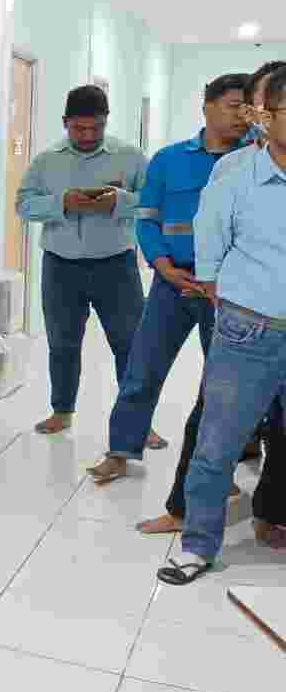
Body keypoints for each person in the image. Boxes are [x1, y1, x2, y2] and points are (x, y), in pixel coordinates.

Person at [136, 61, 286, 542]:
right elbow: (210, 242)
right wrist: (221, 292)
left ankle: (271, 512)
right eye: (255, 106)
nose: (252, 116)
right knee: (214, 422)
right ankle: (188, 517)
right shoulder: (235, 169)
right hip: (240, 318)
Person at [88, 74, 248, 487]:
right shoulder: (169, 159)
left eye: (248, 107)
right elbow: (147, 219)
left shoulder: (253, 160)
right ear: (207, 106)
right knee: (143, 369)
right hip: (171, 282)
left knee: (223, 384)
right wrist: (163, 266)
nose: (241, 115)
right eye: (234, 105)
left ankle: (220, 467)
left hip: (227, 290)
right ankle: (120, 450)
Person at [15, 85, 152, 437]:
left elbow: (154, 203)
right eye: (79, 128)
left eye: (96, 127)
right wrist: (61, 203)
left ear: (106, 121)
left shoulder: (130, 156)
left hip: (117, 267)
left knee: (130, 344)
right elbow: (23, 205)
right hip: (61, 267)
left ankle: (139, 421)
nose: (89, 136)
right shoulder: (46, 161)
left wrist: (119, 201)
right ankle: (62, 411)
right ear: (65, 122)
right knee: (62, 344)